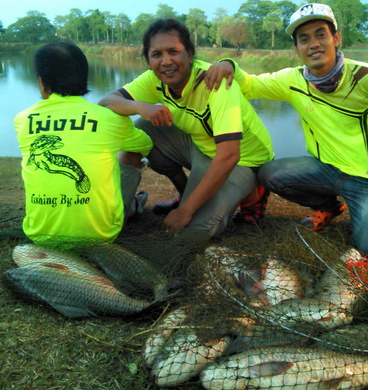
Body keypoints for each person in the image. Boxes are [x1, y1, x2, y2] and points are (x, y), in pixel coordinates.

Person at [205, 3, 368, 255]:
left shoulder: (367, 77)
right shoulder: (293, 80)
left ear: (336, 38)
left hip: (367, 178)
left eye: (321, 35)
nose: (313, 44)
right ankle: (327, 206)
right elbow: (249, 85)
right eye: (304, 39)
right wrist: (228, 63)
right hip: (324, 169)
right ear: (297, 48)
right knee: (270, 173)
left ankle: (360, 211)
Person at [98, 19, 274, 238]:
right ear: (148, 60)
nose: (166, 61)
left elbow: (229, 156)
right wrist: (139, 106)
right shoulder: (153, 80)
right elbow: (105, 102)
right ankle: (119, 212)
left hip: (244, 159)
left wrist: (185, 211)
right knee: (141, 129)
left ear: (189, 54)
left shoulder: (214, 82)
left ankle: (252, 195)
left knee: (194, 230)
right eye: (157, 55)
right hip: (202, 145)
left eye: (173, 51)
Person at [14, 41, 153, 246]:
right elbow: (144, 145)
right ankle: (127, 206)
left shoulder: (23, 120)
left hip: (40, 235)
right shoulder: (109, 118)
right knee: (128, 150)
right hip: (102, 235)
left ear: (42, 82)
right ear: (84, 79)